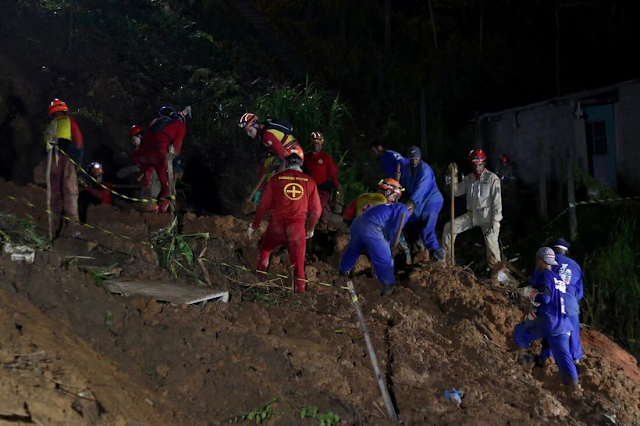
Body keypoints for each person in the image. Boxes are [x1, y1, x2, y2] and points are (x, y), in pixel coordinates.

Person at [248, 146, 321, 294]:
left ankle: (258, 283)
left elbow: (263, 205)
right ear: (301, 162)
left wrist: (254, 225)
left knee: (265, 251)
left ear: (286, 162)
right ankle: (299, 296)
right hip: (297, 230)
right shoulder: (310, 182)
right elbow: (316, 211)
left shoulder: (276, 179)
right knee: (298, 267)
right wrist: (310, 228)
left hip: (276, 227)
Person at [514, 247, 578, 387]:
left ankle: (524, 368)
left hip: (549, 322)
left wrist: (530, 293)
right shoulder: (558, 278)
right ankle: (573, 388)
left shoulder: (545, 276)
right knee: (565, 359)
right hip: (563, 324)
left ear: (540, 260)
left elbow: (546, 299)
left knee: (520, 331)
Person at [442, 149, 503, 271]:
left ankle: (496, 274)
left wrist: (496, 221)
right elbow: (456, 192)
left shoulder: (492, 178)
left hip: (487, 217)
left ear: (484, 163)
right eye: (474, 165)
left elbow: (497, 201)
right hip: (472, 214)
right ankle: (446, 262)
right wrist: (454, 175)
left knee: (492, 246)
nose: (477, 168)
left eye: (479, 165)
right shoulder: (469, 178)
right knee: (449, 228)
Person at [339, 199, 415, 297]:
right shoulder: (404, 209)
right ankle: (389, 285)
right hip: (372, 227)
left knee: (353, 250)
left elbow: (386, 232)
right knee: (385, 259)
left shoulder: (390, 206)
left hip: (358, 223)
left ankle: (343, 273)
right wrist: (393, 245)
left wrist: (388, 243)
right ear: (410, 209)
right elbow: (395, 230)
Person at [343, 178, 412, 264]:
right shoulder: (388, 205)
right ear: (388, 192)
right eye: (395, 196)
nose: (395, 200)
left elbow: (347, 216)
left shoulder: (361, 197)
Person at [133, 106, 187, 213]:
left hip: (141, 154)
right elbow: (177, 148)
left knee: (148, 177)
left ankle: (146, 202)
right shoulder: (180, 126)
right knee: (167, 187)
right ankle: (161, 210)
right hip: (158, 155)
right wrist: (173, 154)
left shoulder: (156, 121)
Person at [238, 113, 300, 205]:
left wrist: (275, 171)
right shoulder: (263, 130)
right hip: (285, 153)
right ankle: (258, 199)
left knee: (277, 178)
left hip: (294, 154)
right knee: (265, 165)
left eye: (250, 130)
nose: (248, 134)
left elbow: (283, 155)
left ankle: (276, 202)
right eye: (246, 132)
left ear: (256, 125)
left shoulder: (266, 135)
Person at [43, 98, 84, 233]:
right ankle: (74, 227)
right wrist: (78, 161)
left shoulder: (50, 126)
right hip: (66, 160)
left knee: (54, 194)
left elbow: (45, 148)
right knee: (70, 192)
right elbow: (79, 143)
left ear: (52, 113)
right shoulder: (70, 121)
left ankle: (54, 227)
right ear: (64, 110)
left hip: (52, 162)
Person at [400, 146, 444, 260]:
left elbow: (420, 191)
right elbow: (403, 184)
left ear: (420, 158)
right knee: (409, 223)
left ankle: (438, 255)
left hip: (431, 200)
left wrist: (406, 204)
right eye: (411, 159)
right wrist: (399, 192)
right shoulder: (406, 168)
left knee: (426, 229)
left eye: (416, 159)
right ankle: (418, 250)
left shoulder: (425, 171)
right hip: (417, 201)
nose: (414, 161)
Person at [549, 238, 584, 363]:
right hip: (571, 303)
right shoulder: (576, 266)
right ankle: (576, 357)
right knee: (573, 331)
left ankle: (550, 359)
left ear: (554, 249)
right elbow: (579, 292)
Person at [304, 131, 340, 227]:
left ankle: (324, 226)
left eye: (320, 144)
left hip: (322, 187)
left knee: (323, 206)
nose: (319, 146)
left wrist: (336, 190)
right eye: (317, 144)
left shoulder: (326, 157)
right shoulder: (306, 157)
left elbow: (333, 174)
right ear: (311, 143)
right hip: (308, 187)